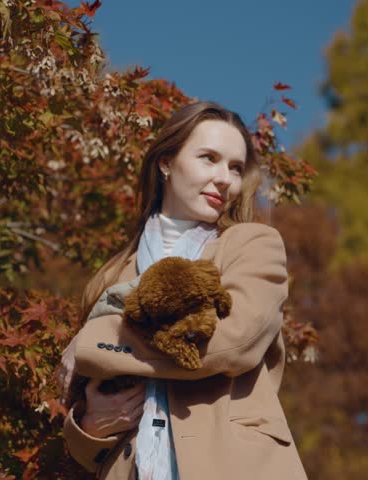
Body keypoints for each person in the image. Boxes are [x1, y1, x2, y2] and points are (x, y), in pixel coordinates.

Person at [58, 101, 308, 480]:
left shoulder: (253, 244)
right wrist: (91, 425)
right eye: (209, 158)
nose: (225, 178)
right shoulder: (110, 277)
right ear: (167, 163)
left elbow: (232, 342)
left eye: (235, 168)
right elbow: (83, 415)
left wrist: (94, 341)